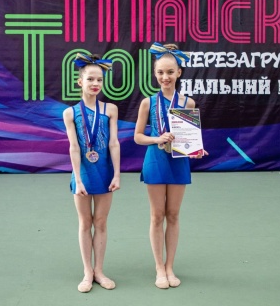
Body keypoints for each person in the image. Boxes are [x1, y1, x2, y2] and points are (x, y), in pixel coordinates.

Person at [134, 42, 206, 289]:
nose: (165, 77)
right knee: (157, 216)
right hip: (155, 160)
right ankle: (158, 267)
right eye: (160, 72)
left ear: (179, 73)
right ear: (155, 74)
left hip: (178, 162)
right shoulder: (147, 103)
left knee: (173, 215)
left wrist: (196, 149)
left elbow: (191, 138)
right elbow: (138, 137)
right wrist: (157, 139)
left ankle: (170, 266)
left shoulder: (189, 103)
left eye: (170, 72)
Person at [63, 53, 121, 293]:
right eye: (90, 79)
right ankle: (87, 271)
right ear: (80, 82)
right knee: (85, 222)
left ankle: (99, 270)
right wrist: (78, 179)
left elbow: (114, 143)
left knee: (101, 222)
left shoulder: (110, 109)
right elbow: (74, 147)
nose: (95, 83)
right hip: (83, 174)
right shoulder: (70, 113)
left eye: (99, 79)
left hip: (105, 173)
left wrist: (117, 174)